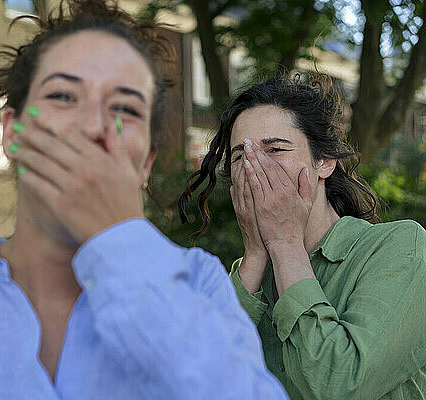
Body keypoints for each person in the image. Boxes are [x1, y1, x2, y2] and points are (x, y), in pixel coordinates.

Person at [0, 1, 288, 399]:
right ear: (12, 134)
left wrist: (116, 241)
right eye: (63, 95)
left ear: (145, 162)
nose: (93, 127)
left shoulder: (201, 288)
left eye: (125, 108)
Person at [180, 74, 426, 400]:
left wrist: (284, 244)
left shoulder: (399, 247)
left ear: (324, 161)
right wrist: (255, 254)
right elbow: (196, 381)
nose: (254, 167)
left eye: (275, 149)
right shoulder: (245, 276)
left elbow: (339, 386)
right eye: (240, 155)